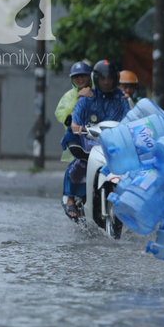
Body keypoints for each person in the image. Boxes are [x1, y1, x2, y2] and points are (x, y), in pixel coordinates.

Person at [61, 60, 131, 219]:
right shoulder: (87, 96)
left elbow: (130, 118)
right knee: (79, 165)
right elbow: (75, 119)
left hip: (116, 144)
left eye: (110, 78)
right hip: (92, 142)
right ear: (96, 79)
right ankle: (71, 198)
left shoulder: (121, 98)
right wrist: (76, 127)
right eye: (103, 78)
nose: (106, 82)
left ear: (115, 79)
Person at [55, 61, 94, 219]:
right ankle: (70, 198)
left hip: (96, 138)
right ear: (72, 79)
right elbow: (61, 114)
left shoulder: (96, 92)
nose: (80, 78)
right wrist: (77, 99)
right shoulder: (69, 96)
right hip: (77, 140)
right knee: (76, 164)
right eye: (76, 76)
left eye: (83, 75)